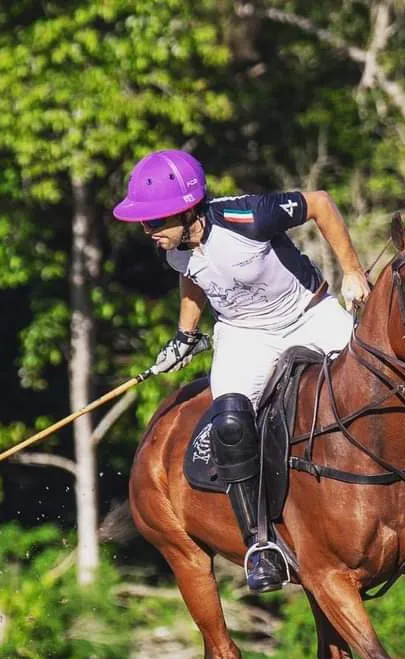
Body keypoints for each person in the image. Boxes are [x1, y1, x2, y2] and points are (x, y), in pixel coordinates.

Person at [113, 149, 370, 592]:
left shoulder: (247, 216)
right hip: (245, 334)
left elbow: (321, 202)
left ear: (188, 210)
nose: (147, 230)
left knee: (373, 382)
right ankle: (261, 546)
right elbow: (194, 275)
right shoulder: (173, 247)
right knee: (229, 423)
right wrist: (185, 334)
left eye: (155, 221)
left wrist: (352, 272)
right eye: (145, 222)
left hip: (309, 315)